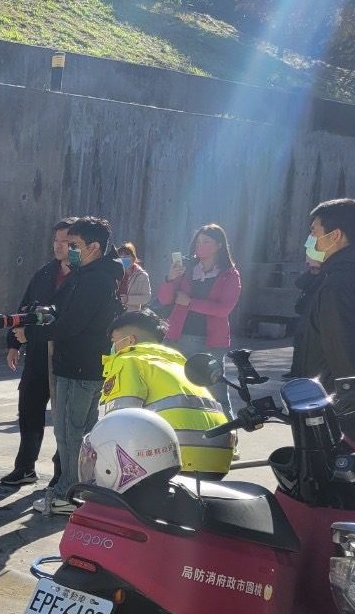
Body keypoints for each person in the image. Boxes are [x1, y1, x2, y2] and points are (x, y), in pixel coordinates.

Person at [24, 215, 124, 516]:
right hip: (79, 365)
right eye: (67, 244)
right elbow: (64, 313)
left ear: (95, 247)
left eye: (75, 245)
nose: (69, 250)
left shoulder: (95, 280)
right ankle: (76, 486)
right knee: (78, 431)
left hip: (81, 367)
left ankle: (69, 491)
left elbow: (71, 325)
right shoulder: (88, 275)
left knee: (70, 432)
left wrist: (30, 332)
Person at [100, 310, 233, 479]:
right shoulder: (179, 363)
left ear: (131, 340)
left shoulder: (128, 360)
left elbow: (119, 419)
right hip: (218, 456)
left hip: (174, 456)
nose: (113, 348)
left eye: (114, 341)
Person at [1, 216, 76, 487]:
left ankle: (62, 473)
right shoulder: (45, 273)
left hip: (68, 357)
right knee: (29, 408)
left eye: (66, 241)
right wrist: (14, 342)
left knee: (65, 419)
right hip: (36, 356)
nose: (59, 247)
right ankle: (24, 468)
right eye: (56, 241)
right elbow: (25, 309)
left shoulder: (85, 277)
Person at [157, 224, 241, 418]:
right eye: (198, 241)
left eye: (206, 242)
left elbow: (223, 309)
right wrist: (170, 278)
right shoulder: (186, 268)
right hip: (177, 337)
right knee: (175, 388)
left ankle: (227, 435)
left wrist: (190, 303)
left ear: (219, 245)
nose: (200, 246)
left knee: (216, 392)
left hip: (210, 341)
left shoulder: (230, 274)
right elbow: (164, 299)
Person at [297, 198, 355, 390]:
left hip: (347, 402)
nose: (310, 240)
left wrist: (350, 401)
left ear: (335, 236)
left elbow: (343, 352)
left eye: (314, 232)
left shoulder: (338, 283)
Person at [287, 254, 325, 379]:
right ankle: (295, 371)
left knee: (310, 344)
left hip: (317, 313)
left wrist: (318, 273)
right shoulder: (310, 275)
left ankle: (306, 372)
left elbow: (316, 288)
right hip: (305, 314)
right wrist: (311, 272)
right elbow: (298, 283)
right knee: (299, 343)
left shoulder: (325, 275)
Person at [117, 242, 152, 310]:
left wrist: (128, 299)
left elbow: (147, 297)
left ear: (133, 258)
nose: (123, 259)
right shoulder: (114, 273)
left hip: (131, 315)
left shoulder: (142, 276)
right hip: (113, 313)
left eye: (126, 256)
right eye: (121, 257)